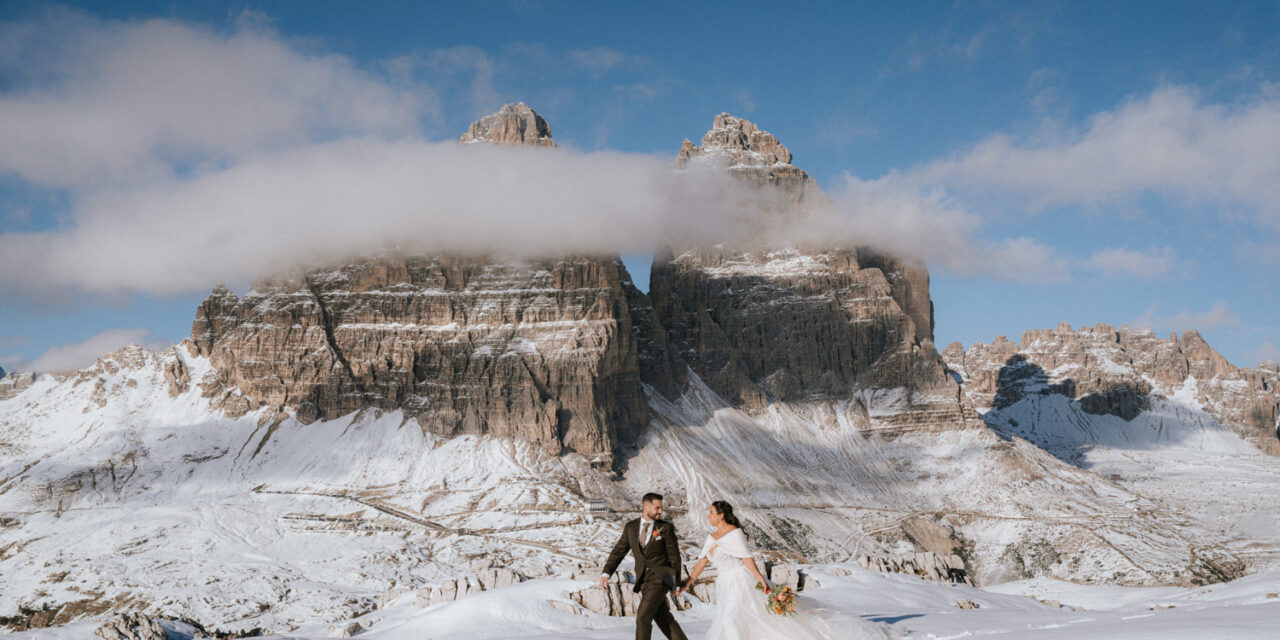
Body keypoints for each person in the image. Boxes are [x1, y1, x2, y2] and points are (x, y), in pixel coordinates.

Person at [676, 500, 889, 640]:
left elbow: (748, 561)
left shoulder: (735, 534)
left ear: (721, 515)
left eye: (711, 513)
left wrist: (763, 583)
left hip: (740, 581)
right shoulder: (710, 538)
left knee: (731, 619)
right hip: (723, 583)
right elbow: (702, 562)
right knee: (731, 617)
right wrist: (687, 583)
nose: (708, 516)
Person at [601, 492, 688, 640]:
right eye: (657, 508)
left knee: (642, 618)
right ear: (646, 507)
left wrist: (676, 583)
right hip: (643, 580)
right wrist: (606, 572)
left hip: (661, 578)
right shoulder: (631, 527)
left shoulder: (665, 528)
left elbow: (675, 557)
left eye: (661, 508)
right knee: (663, 618)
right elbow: (619, 551)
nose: (661, 511)